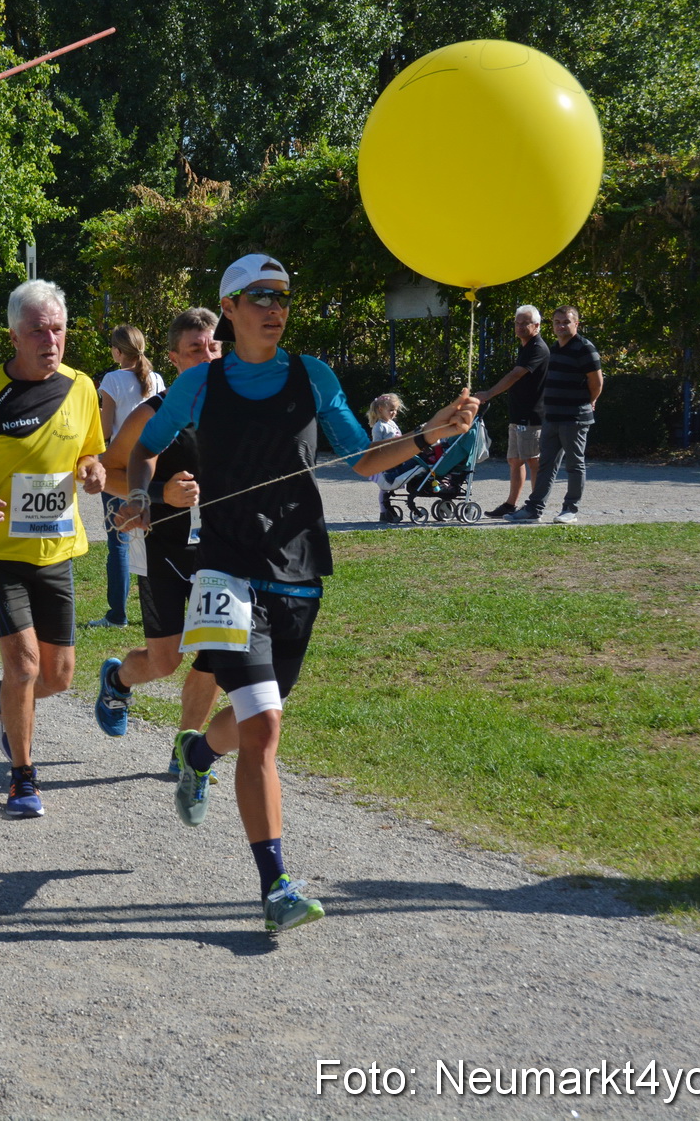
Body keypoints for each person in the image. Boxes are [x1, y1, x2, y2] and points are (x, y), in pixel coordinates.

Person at [122, 252, 478, 933]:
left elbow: (362, 458)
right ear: (228, 308)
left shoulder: (313, 376)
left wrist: (430, 432)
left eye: (281, 294)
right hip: (225, 571)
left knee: (259, 720)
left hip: (299, 572)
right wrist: (141, 492)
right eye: (257, 295)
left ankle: (197, 753)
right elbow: (146, 446)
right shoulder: (199, 384)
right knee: (265, 728)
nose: (273, 306)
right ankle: (276, 884)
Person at [0, 279, 107, 819]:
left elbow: (87, 454)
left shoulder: (81, 387)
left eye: (57, 329)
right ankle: (22, 779)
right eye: (38, 330)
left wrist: (93, 470)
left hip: (57, 548)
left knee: (59, 676)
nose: (50, 339)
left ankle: (1, 697)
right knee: (27, 665)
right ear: (14, 335)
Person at [94, 308, 222, 753]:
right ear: (174, 358)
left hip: (222, 552)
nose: (207, 357)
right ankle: (117, 678)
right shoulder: (154, 414)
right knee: (166, 662)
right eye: (195, 350)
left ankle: (185, 751)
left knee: (215, 655)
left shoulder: (243, 413)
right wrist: (160, 494)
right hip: (163, 546)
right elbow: (108, 471)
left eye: (214, 346)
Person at [92, 324, 164, 627]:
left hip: (120, 467)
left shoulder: (112, 379)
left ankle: (117, 614)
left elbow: (105, 430)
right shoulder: (157, 378)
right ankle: (159, 610)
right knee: (154, 540)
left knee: (119, 541)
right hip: (153, 464)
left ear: (117, 351)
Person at [508, 305, 600, 525]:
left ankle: (570, 509)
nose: (561, 326)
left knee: (574, 465)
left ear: (576, 323)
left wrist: (588, 401)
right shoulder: (555, 348)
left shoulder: (585, 348)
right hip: (552, 417)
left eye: (566, 321)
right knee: (546, 464)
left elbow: (596, 383)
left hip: (575, 417)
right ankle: (534, 509)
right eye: (557, 322)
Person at [474, 305, 550, 518]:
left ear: (536, 325)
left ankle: (535, 507)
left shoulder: (538, 348)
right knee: (515, 460)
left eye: (525, 323)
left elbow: (516, 375)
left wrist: (489, 393)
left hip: (532, 415)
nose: (520, 327)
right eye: (517, 322)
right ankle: (510, 504)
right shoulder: (525, 346)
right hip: (518, 413)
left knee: (533, 460)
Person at [366, 393, 406, 523]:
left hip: (396, 459)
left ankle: (387, 508)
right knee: (385, 487)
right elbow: (377, 446)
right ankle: (383, 511)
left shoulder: (392, 423)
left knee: (392, 483)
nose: (394, 413)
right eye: (391, 410)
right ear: (381, 409)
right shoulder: (379, 427)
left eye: (395, 410)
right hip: (385, 461)